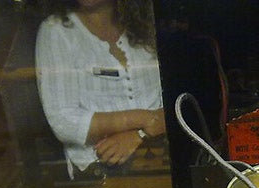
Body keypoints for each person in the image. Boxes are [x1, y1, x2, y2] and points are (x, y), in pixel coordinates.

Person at [35, 0, 165, 177]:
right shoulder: (55, 31)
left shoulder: (147, 20)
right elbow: (64, 121)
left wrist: (139, 134)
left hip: (162, 149)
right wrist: (146, 119)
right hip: (101, 164)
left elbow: (179, 93)